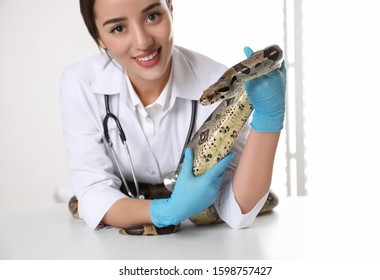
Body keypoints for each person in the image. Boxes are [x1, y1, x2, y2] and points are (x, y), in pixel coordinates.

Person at [57, 0, 286, 232]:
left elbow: (236, 211)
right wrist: (166, 211)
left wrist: (268, 121)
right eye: (118, 28)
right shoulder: (79, 84)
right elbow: (93, 194)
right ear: (99, 38)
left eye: (153, 16)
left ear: (171, 9)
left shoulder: (214, 78)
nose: (142, 42)